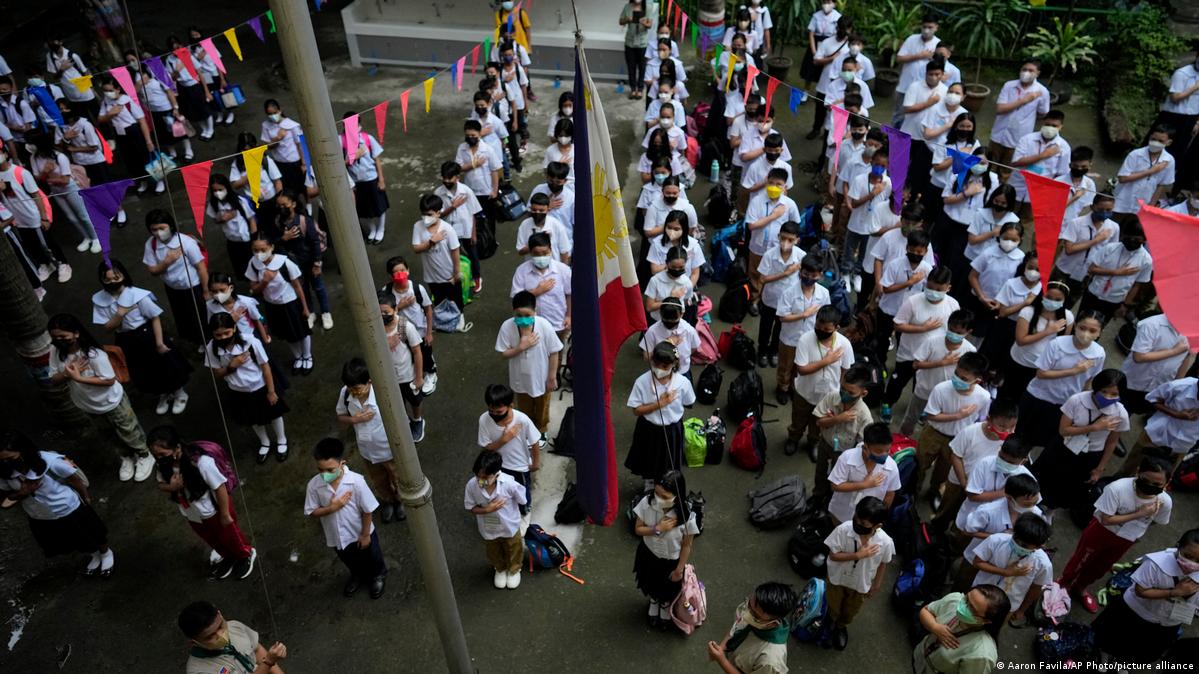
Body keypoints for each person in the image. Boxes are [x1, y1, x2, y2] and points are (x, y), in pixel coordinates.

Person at [1058, 457, 1173, 613]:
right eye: (1146, 480)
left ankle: (1080, 588)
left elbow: (1156, 521)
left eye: (1157, 484)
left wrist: (1137, 533)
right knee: (1080, 561)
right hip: (1101, 532)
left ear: (1167, 482)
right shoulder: (1117, 489)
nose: (1150, 486)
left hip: (1126, 539)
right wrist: (1139, 514)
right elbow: (1106, 520)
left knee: (1101, 567)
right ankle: (1062, 585)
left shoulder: (1165, 501)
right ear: (1138, 472)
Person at [46, 313, 153, 482]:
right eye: (55, 337)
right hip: (87, 405)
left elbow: (109, 380)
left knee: (128, 429)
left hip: (112, 402)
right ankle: (125, 457)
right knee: (108, 434)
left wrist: (78, 377)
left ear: (76, 333)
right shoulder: (56, 351)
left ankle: (144, 454)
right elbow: (53, 379)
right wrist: (68, 372)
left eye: (63, 336)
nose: (59, 340)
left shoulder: (94, 355)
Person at [0, 430, 113, 576]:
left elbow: (75, 479)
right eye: (2, 460)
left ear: (24, 451)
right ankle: (94, 555)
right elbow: (4, 500)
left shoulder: (50, 461)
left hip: (68, 508)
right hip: (42, 516)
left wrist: (86, 498)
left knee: (93, 532)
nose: (7, 463)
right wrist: (22, 493)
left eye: (11, 458)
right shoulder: (5, 473)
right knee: (74, 539)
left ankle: (105, 553)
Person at [148, 425, 255, 579]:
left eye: (162, 454)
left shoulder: (201, 462)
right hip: (191, 512)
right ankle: (228, 556)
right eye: (155, 455)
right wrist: (172, 487)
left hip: (214, 510)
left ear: (177, 447)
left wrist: (225, 514)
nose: (159, 458)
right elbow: (159, 484)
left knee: (229, 536)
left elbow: (220, 487)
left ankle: (244, 555)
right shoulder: (163, 465)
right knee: (210, 538)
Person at [92, 259, 192, 416]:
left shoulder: (137, 295)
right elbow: (107, 328)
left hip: (147, 334)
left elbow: (155, 317)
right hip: (125, 339)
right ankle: (163, 393)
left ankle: (179, 393)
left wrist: (159, 342)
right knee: (145, 370)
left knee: (165, 364)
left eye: (116, 277)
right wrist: (120, 314)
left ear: (124, 275)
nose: (112, 282)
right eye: (108, 279)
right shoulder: (100, 300)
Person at [1092, 528, 1199, 664]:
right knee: (1115, 638)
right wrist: (1174, 593)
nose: (1192, 564)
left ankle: (1124, 663)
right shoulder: (1155, 564)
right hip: (1134, 612)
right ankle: (1103, 656)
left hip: (1166, 623)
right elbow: (1140, 591)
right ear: (1178, 547)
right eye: (1188, 556)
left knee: (1141, 649)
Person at [1033, 370, 1129, 517]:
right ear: (1096, 387)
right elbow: (1064, 430)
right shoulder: (1077, 400)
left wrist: (1099, 469)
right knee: (1045, 477)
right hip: (1063, 447)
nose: (1108, 397)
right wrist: (1094, 428)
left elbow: (1112, 442)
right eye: (1104, 391)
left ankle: (1050, 510)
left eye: (1114, 394)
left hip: (1089, 455)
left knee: (1069, 487)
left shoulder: (1120, 414)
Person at [304, 437, 386, 599]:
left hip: (360, 532)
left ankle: (378, 575)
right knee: (349, 559)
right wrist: (332, 508)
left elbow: (367, 510)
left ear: (342, 463)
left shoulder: (356, 482)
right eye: (320, 470)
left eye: (330, 470)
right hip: (337, 536)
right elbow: (312, 511)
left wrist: (365, 534)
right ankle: (357, 575)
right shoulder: (314, 485)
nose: (324, 475)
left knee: (372, 556)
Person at [205, 312, 288, 464]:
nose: (223, 337)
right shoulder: (211, 348)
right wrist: (232, 366)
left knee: (274, 413)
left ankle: (282, 440)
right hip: (238, 391)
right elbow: (217, 373)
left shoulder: (250, 342)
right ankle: (265, 442)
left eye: (227, 333)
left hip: (260, 386)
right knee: (252, 418)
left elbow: (265, 367)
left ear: (234, 328)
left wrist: (271, 391)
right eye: (218, 335)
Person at [883, 265, 959, 427]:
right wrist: (922, 328)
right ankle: (887, 404)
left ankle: (919, 412)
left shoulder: (953, 305)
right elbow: (898, 325)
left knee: (923, 387)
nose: (933, 291)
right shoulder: (913, 301)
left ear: (948, 288)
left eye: (939, 289)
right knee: (898, 383)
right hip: (909, 354)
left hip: (933, 358)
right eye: (930, 287)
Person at [1017, 310, 1105, 447]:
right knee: (1019, 432)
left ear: (1100, 332)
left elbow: (1088, 381)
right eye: (1082, 328)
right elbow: (1041, 373)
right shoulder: (1057, 344)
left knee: (1039, 439)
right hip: (1038, 396)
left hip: (1064, 404)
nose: (1086, 334)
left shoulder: (1099, 354)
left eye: (1092, 331)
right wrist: (1074, 371)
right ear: (1075, 325)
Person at [336, 357, 408, 523]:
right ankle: (388, 501)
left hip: (389, 450)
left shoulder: (383, 393)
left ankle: (401, 501)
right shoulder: (345, 393)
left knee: (397, 478)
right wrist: (355, 420)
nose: (353, 391)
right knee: (379, 480)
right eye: (350, 388)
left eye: (357, 388)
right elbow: (341, 416)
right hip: (367, 450)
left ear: (369, 381)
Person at [821, 496, 894, 650]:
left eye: (863, 523)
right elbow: (833, 555)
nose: (857, 523)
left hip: (860, 584)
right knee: (833, 605)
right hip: (837, 579)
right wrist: (857, 555)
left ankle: (840, 627)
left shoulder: (885, 542)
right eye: (856, 518)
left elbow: (883, 563)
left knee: (850, 610)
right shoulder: (843, 530)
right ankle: (829, 624)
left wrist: (877, 584)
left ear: (877, 525)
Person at [934, 399, 1018, 532]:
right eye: (1002, 427)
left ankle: (954, 536)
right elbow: (956, 455)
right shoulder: (970, 432)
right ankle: (936, 529)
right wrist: (964, 482)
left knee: (968, 518)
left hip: (982, 490)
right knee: (947, 508)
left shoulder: (1009, 443)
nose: (1007, 431)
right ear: (989, 419)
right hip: (957, 482)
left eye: (1012, 427)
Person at [915, 352, 991, 499]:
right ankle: (913, 491)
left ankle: (933, 492)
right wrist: (958, 416)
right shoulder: (941, 389)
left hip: (956, 441)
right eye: (956, 374)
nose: (957, 380)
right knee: (919, 465)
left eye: (964, 379)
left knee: (943, 472)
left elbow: (981, 420)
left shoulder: (983, 397)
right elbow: (931, 415)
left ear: (977, 380)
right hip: (933, 434)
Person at [633, 469, 699, 628]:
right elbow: (638, 529)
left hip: (671, 561)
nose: (658, 499)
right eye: (656, 493)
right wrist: (657, 528)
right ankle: (654, 601)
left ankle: (664, 605)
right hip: (648, 553)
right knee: (650, 581)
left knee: (668, 587)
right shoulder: (646, 503)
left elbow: (687, 544)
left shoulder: (686, 516)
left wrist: (679, 569)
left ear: (677, 495)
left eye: (664, 496)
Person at [626, 342, 695, 491]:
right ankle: (649, 482)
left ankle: (665, 484)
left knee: (669, 460)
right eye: (656, 364)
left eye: (665, 367)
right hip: (648, 427)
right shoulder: (642, 382)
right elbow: (636, 410)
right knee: (648, 457)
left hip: (672, 429)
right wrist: (659, 404)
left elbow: (689, 401)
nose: (660, 370)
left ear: (673, 364)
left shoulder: (683, 383)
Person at [787, 305, 854, 457]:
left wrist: (839, 392)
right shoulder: (805, 339)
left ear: (837, 327)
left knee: (818, 425)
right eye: (818, 327)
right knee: (798, 420)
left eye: (826, 329)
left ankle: (813, 443)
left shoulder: (844, 344)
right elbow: (801, 370)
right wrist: (827, 361)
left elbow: (845, 370)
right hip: (804, 392)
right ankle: (793, 438)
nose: (820, 331)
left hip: (828, 397)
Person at [957, 474, 1042, 591]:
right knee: (964, 584)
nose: (1032, 507)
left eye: (1035, 502)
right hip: (977, 555)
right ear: (1009, 497)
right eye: (1027, 504)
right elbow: (967, 531)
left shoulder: (1035, 514)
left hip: (1007, 561)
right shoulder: (987, 511)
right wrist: (996, 536)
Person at [0, 145, 70, 285]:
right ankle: (46, 265)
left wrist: (43, 217)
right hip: (17, 220)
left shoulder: (20, 172)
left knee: (47, 244)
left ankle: (62, 264)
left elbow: (36, 195)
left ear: (6, 154)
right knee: (31, 245)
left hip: (33, 216)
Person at [245, 233, 313, 376]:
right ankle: (298, 356)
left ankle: (307, 356)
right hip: (272, 305)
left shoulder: (284, 263)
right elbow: (254, 289)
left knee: (301, 331)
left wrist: (305, 308)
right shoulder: (253, 264)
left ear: (271, 247)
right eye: (255, 250)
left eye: (263, 250)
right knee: (286, 333)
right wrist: (265, 281)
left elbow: (298, 287)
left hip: (291, 303)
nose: (259, 254)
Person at [496, 291, 562, 436]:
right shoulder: (507, 327)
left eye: (527, 315)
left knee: (542, 406)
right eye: (519, 316)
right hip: (520, 379)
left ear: (535, 312)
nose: (523, 319)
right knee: (524, 407)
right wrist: (521, 347)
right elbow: (503, 353)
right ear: (513, 312)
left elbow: (554, 352)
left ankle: (542, 430)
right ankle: (528, 430)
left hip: (542, 378)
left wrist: (552, 377)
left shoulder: (544, 325)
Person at [970, 512, 1052, 626]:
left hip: (1009, 605)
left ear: (1039, 546)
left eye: (1024, 545)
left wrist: (1022, 610)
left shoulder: (1043, 565)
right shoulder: (996, 540)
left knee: (993, 628)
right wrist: (1005, 572)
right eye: (1016, 538)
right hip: (979, 595)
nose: (1017, 544)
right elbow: (977, 562)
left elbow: (1035, 589)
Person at [904, 309, 975, 439]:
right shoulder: (932, 341)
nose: (954, 334)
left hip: (946, 397)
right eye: (952, 329)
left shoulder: (970, 350)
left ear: (968, 332)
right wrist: (942, 362)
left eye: (959, 332)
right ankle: (901, 441)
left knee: (933, 426)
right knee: (910, 419)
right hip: (924, 390)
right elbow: (916, 364)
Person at [143, 209, 209, 347]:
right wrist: (167, 261)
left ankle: (207, 341)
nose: (158, 232)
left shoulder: (186, 242)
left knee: (200, 317)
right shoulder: (151, 244)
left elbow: (201, 267)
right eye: (154, 229)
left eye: (162, 228)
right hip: (173, 288)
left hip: (192, 287)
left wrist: (206, 291)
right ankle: (195, 340)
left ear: (170, 226)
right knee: (183, 317)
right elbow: (153, 270)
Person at [465, 449, 527, 590]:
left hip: (509, 526)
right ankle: (500, 569)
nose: (480, 480)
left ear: (497, 474)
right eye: (477, 476)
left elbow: (522, 500)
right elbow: (470, 507)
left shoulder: (510, 485)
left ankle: (514, 569)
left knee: (514, 548)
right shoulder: (471, 486)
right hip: (488, 528)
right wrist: (487, 510)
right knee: (493, 551)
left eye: (485, 477)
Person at [269, 191, 331, 332]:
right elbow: (272, 242)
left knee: (318, 287)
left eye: (284, 205)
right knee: (303, 289)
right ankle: (310, 312)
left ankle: (326, 312)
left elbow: (315, 242)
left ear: (293, 204)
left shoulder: (304, 221)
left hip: (309, 261)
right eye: (279, 205)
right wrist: (283, 239)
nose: (281, 208)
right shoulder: (279, 222)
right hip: (293, 264)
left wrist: (317, 263)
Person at [810, 365, 874, 500]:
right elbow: (818, 422)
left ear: (863, 393)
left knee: (837, 478)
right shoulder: (832, 397)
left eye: (850, 393)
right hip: (825, 442)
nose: (844, 394)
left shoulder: (865, 417)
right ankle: (817, 494)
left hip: (844, 453)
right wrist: (837, 419)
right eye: (842, 389)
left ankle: (830, 500)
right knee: (820, 471)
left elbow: (862, 446)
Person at [28, 131, 97, 253]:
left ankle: (96, 237)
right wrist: (46, 172)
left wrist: (48, 179)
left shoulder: (60, 157)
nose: (29, 146)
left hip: (70, 188)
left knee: (83, 215)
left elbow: (65, 180)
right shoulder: (34, 158)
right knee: (71, 217)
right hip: (56, 191)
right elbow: (37, 178)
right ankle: (86, 237)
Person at [1003, 281, 1073, 401]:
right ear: (1042, 295)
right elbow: (1021, 340)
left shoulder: (1067, 317)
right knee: (1009, 393)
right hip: (1020, 362)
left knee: (1026, 397)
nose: (1052, 301)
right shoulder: (1028, 312)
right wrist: (1047, 331)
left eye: (1058, 299)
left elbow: (1063, 344)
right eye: (1049, 297)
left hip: (1042, 368)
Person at [913, 585, 1008, 674]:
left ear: (986, 621)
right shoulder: (955, 599)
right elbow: (926, 610)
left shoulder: (982, 654)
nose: (963, 606)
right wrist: (934, 627)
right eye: (967, 598)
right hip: (920, 655)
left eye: (972, 609)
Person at [707, 582, 798, 674]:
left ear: (773, 623)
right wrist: (721, 648)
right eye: (749, 604)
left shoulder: (770, 661)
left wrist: (722, 661)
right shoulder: (753, 607)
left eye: (755, 614)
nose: (747, 613)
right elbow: (735, 628)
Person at [954, 436, 1035, 539]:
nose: (1004, 463)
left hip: (999, 525)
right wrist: (1008, 492)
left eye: (1011, 463)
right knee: (960, 539)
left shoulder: (1027, 478)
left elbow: (1028, 506)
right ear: (1000, 449)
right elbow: (973, 496)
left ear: (1023, 461)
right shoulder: (984, 464)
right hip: (971, 515)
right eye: (1002, 457)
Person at [775, 256, 830, 404]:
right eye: (806, 274)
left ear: (820, 275)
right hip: (789, 338)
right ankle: (782, 388)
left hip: (809, 339)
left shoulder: (823, 293)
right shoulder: (789, 292)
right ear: (800, 272)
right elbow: (782, 317)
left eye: (814, 276)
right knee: (785, 366)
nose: (809, 278)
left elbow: (825, 315)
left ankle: (793, 388)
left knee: (800, 367)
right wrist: (804, 315)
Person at [478, 383, 540, 514]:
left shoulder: (522, 420)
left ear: (511, 405)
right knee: (500, 491)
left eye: (499, 411)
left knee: (522, 491)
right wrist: (505, 439)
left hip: (519, 466)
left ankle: (525, 509)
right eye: (491, 411)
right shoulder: (484, 419)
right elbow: (486, 448)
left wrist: (535, 463)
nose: (494, 414)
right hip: (498, 467)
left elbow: (535, 442)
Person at [745, 169, 801, 313]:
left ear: (785, 187)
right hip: (758, 247)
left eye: (778, 184)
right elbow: (751, 225)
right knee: (755, 274)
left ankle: (768, 300)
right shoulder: (757, 201)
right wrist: (774, 216)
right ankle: (755, 300)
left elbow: (796, 226)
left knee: (773, 275)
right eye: (771, 183)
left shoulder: (790, 204)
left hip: (779, 249)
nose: (774, 187)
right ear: (766, 182)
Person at [177, 600, 287, 674]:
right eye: (210, 637)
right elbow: (268, 660)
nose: (221, 635)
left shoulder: (234, 627)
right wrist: (268, 662)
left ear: (220, 614)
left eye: (220, 626)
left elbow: (257, 650)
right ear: (194, 643)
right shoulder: (200, 671)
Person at [1121, 376, 1199, 476]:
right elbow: (1152, 399)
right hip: (1155, 436)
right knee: (1129, 470)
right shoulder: (1180, 386)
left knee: (1161, 479)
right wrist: (1176, 414)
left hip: (1182, 445)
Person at [95, 76, 158, 194]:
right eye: (105, 91)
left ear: (118, 89)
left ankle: (159, 181)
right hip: (120, 135)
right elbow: (100, 119)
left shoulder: (127, 101)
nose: (108, 93)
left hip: (134, 131)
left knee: (146, 157)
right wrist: (110, 114)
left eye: (110, 90)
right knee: (131, 160)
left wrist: (148, 141)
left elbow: (142, 121)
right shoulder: (105, 103)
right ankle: (142, 181)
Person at [1081, 221, 1153, 324]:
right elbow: (1091, 269)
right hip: (1093, 293)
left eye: (1136, 238)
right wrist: (1115, 272)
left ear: (1144, 239)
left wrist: (1125, 305)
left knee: (1098, 328)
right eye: (1129, 236)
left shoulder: (1146, 260)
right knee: (1080, 322)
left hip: (1114, 301)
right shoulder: (1110, 248)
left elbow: (1137, 285)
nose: (1131, 240)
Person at [987, 59, 1051, 175]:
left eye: (1031, 70)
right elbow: (1000, 109)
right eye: (1024, 69)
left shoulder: (1042, 92)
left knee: (1006, 170)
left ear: (1038, 73)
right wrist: (1024, 101)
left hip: (1018, 139)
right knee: (989, 166)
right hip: (998, 135)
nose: (1026, 72)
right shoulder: (1009, 85)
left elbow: (1043, 112)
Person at [377, 293, 427, 442]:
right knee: (397, 402)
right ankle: (405, 422)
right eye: (379, 313)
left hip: (407, 375)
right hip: (389, 378)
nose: (383, 316)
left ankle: (417, 421)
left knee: (415, 400)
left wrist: (418, 377)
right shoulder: (375, 329)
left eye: (386, 312)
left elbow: (417, 352)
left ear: (395, 310)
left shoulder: (405, 326)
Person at [1051, 193, 1118, 304]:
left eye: (1109, 210)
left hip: (1086, 275)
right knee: (1051, 299)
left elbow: (1111, 252)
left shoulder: (1113, 227)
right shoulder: (1076, 223)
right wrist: (1095, 241)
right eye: (1101, 209)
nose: (1105, 213)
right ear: (1093, 207)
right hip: (1065, 270)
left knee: (1069, 303)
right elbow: (1069, 250)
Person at [829, 422, 900, 523]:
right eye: (879, 451)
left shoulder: (891, 467)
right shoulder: (847, 457)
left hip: (869, 520)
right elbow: (835, 486)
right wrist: (865, 484)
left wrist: (880, 517)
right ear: (865, 448)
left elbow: (889, 494)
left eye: (887, 450)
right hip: (841, 513)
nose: (885, 455)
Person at [1121, 313, 1191, 417]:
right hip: (1133, 382)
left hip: (1157, 387)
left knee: (1129, 416)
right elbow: (1139, 356)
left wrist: (1176, 386)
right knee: (1118, 411)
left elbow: (1186, 357)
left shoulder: (1193, 332)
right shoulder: (1152, 324)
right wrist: (1173, 351)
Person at [756, 221, 804, 369]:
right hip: (770, 299)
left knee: (780, 328)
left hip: (788, 302)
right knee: (765, 327)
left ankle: (774, 351)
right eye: (783, 238)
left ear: (797, 240)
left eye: (790, 240)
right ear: (778, 236)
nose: (785, 243)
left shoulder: (801, 256)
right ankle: (762, 351)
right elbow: (762, 278)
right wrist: (785, 273)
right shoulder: (770, 255)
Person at [384, 257, 436, 393]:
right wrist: (400, 306)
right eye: (396, 272)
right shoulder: (387, 292)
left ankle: (431, 373)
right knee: (411, 354)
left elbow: (428, 309)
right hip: (401, 330)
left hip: (420, 330)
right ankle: (416, 375)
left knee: (425, 352)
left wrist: (429, 332)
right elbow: (384, 312)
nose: (400, 274)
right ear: (390, 276)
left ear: (408, 270)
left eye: (403, 270)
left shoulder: (417, 289)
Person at [1007, 110, 1071, 218]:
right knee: (1007, 215)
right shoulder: (1027, 139)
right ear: (1043, 123)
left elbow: (1062, 174)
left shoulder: (1064, 147)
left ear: (1060, 127)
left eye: (1054, 125)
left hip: (1038, 194)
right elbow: (1016, 162)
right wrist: (1043, 155)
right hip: (1016, 186)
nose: (1050, 128)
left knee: (1027, 221)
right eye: (1047, 124)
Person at [435, 162, 484, 293]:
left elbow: (473, 212)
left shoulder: (466, 191)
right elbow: (438, 215)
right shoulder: (439, 193)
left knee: (473, 254)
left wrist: (473, 233)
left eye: (449, 178)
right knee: (453, 255)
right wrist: (453, 206)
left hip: (466, 229)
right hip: (449, 230)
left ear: (457, 177)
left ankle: (477, 277)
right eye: (444, 178)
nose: (446, 181)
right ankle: (458, 276)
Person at [511, 232, 571, 338]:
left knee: (558, 352)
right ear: (530, 253)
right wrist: (537, 291)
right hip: (531, 326)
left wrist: (569, 316)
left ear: (550, 250)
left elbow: (570, 294)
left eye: (544, 253)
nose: (541, 257)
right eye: (536, 254)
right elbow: (516, 299)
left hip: (558, 323)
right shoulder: (522, 271)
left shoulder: (563, 270)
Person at [411, 193, 464, 311]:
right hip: (431, 276)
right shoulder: (418, 227)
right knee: (439, 301)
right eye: (423, 214)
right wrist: (431, 242)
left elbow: (455, 251)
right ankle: (443, 321)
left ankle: (459, 318)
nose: (425, 218)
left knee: (455, 301)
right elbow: (416, 249)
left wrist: (456, 273)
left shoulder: (448, 229)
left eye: (429, 215)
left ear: (439, 213)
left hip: (448, 276)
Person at [1113, 125, 1175, 216]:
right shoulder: (1136, 154)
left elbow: (1161, 185)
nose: (1155, 143)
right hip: (1124, 198)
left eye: (1160, 141)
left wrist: (1151, 206)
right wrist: (1150, 171)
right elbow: (1122, 178)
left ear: (1169, 142)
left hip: (1144, 202)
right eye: (1153, 139)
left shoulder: (1169, 160)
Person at [893, 16, 940, 127]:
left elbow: (941, 66)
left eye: (930, 27)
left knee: (920, 117)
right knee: (899, 116)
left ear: (936, 28)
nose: (927, 30)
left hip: (925, 89)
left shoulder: (938, 44)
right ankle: (893, 141)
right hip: (905, 86)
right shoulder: (911, 39)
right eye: (924, 27)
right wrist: (919, 56)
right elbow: (899, 58)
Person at [206, 174, 257, 275]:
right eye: (215, 191)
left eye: (220, 189)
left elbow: (251, 220)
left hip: (246, 239)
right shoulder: (213, 204)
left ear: (226, 187)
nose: (218, 193)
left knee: (254, 265)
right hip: (232, 241)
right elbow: (214, 219)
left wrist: (254, 239)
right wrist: (221, 219)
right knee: (241, 268)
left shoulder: (239, 201)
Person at [640, 298, 700, 381]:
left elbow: (694, 348)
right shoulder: (652, 331)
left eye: (674, 319)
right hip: (661, 373)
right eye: (666, 319)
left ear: (681, 314)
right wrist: (668, 344)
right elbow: (646, 356)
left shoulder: (689, 330)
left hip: (682, 372)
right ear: (660, 314)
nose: (669, 322)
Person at [206, 273, 270, 344]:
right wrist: (232, 320)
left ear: (231, 288)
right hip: (229, 342)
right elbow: (212, 326)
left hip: (250, 338)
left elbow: (257, 320)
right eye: (214, 291)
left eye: (222, 290)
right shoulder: (210, 306)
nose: (218, 294)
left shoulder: (246, 302)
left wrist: (265, 339)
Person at [260, 99, 306, 195]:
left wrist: (303, 163)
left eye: (275, 113)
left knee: (301, 186)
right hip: (279, 162)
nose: (273, 116)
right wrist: (277, 139)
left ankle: (307, 204)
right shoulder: (266, 126)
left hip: (294, 162)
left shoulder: (291, 125)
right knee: (287, 189)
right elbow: (265, 146)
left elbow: (300, 145)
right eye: (270, 114)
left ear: (280, 110)